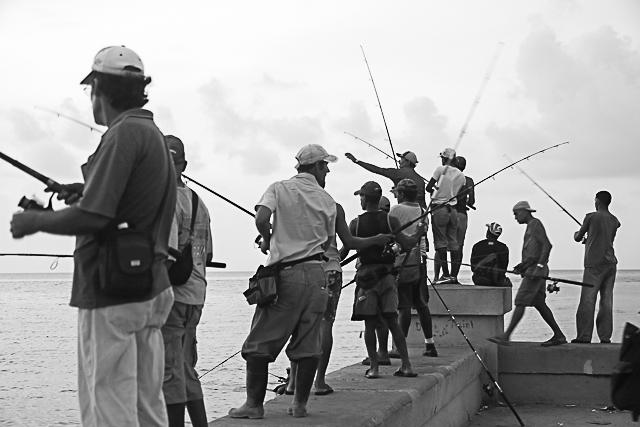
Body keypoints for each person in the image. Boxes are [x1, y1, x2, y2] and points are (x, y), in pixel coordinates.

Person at [10, 46, 176, 426]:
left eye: (91, 90)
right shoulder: (149, 132)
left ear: (99, 89)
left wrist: (32, 222)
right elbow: (125, 204)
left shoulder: (123, 134)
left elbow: (95, 216)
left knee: (108, 408)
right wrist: (83, 189)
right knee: (145, 406)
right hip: (149, 286)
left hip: (114, 292)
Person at [230, 144, 337, 419]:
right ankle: (299, 405)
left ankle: (254, 405)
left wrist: (267, 238)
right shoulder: (327, 200)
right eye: (325, 166)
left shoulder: (278, 188)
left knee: (258, 346)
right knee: (308, 344)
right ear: (316, 167)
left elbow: (262, 218)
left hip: (286, 276)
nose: (327, 171)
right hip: (317, 276)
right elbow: (326, 241)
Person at [341, 181, 425, 379]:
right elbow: (408, 245)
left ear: (365, 198)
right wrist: (419, 232)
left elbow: (344, 251)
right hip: (388, 277)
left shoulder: (356, 223)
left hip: (367, 279)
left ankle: (374, 368)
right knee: (392, 321)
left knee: (370, 324)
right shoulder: (391, 221)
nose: (360, 199)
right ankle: (406, 366)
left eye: (361, 196)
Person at [162, 136, 212, 427]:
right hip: (197, 293)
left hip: (174, 296)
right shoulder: (197, 201)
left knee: (170, 372)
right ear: (184, 165)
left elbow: (166, 254)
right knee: (185, 367)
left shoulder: (164, 201)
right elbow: (207, 252)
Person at [488, 202, 566, 347]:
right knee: (539, 303)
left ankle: (506, 336)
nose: (515, 218)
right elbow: (534, 251)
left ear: (525, 212)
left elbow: (547, 245)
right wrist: (522, 266)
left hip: (536, 271)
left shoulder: (535, 224)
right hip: (532, 268)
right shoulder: (531, 226)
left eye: (516, 214)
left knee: (520, 301)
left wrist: (539, 266)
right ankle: (559, 335)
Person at [389, 179, 437, 357]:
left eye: (397, 193)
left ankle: (398, 348)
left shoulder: (395, 210)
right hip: (420, 262)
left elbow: (391, 235)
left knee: (404, 306)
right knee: (422, 304)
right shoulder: (423, 211)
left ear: (401, 194)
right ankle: (430, 345)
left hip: (402, 263)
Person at [572, 191, 621, 344]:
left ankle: (584, 336)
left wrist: (578, 235)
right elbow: (604, 237)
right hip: (611, 263)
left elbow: (578, 237)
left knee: (588, 300)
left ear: (598, 201)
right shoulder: (614, 220)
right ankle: (605, 337)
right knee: (606, 300)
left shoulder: (591, 217)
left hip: (594, 264)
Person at [425, 148, 465, 284]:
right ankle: (453, 276)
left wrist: (437, 188)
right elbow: (456, 192)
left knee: (440, 242)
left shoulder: (440, 170)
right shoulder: (461, 175)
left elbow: (428, 188)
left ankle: (445, 274)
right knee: (453, 243)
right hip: (453, 210)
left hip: (439, 209)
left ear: (444, 158)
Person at [345, 151, 427, 208]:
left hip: (405, 211)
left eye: (401, 159)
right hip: (421, 212)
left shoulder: (398, 173)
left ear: (407, 162)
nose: (399, 161)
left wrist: (356, 161)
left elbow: (377, 169)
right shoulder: (421, 180)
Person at [451, 156, 475, 282]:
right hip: (463, 216)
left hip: (451, 213)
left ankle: (445, 275)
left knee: (446, 245)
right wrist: (465, 200)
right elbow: (471, 201)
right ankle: (454, 276)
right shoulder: (469, 181)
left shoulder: (450, 178)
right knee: (459, 247)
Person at [470, 222, 512, 287]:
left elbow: (473, 267)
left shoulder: (477, 245)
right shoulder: (503, 247)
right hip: (496, 280)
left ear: (488, 232)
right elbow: (504, 268)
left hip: (479, 280)